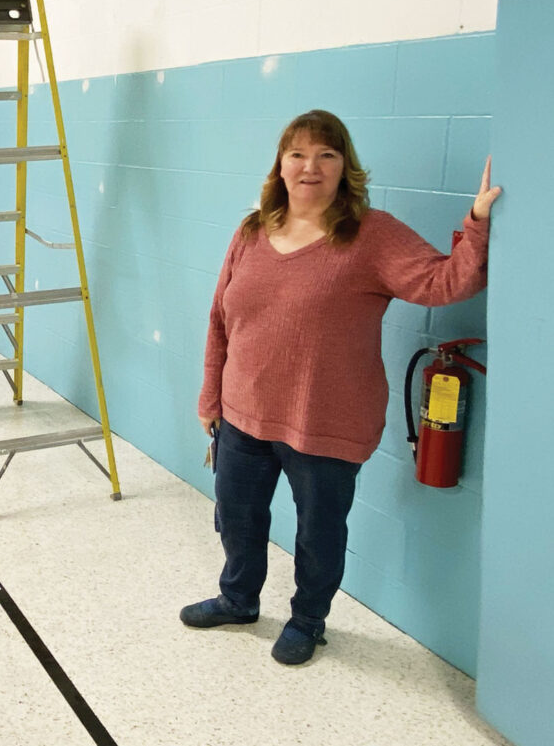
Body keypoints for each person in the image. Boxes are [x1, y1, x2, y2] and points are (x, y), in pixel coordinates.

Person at [180, 109, 501, 665]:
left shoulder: (370, 235)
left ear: (344, 167)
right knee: (236, 517)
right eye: (298, 154)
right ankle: (238, 599)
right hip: (241, 415)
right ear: (280, 166)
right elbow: (220, 319)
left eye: (327, 155)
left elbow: (445, 282)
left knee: (318, 535)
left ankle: (308, 621)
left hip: (325, 422)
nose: (311, 166)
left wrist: (476, 221)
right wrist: (211, 397)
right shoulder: (252, 229)